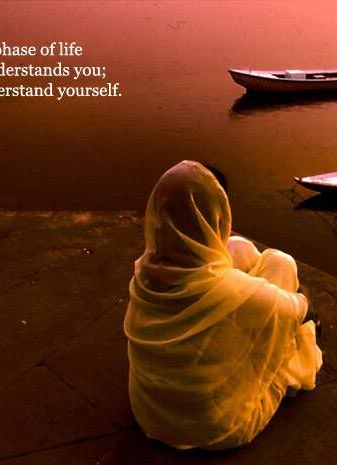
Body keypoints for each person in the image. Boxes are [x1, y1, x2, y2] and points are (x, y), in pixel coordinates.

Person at [124, 160, 322, 450]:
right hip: (219, 429)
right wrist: (295, 304)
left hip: (152, 415)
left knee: (237, 248)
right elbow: (303, 310)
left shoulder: (144, 273)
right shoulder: (241, 295)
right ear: (217, 213)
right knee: (282, 264)